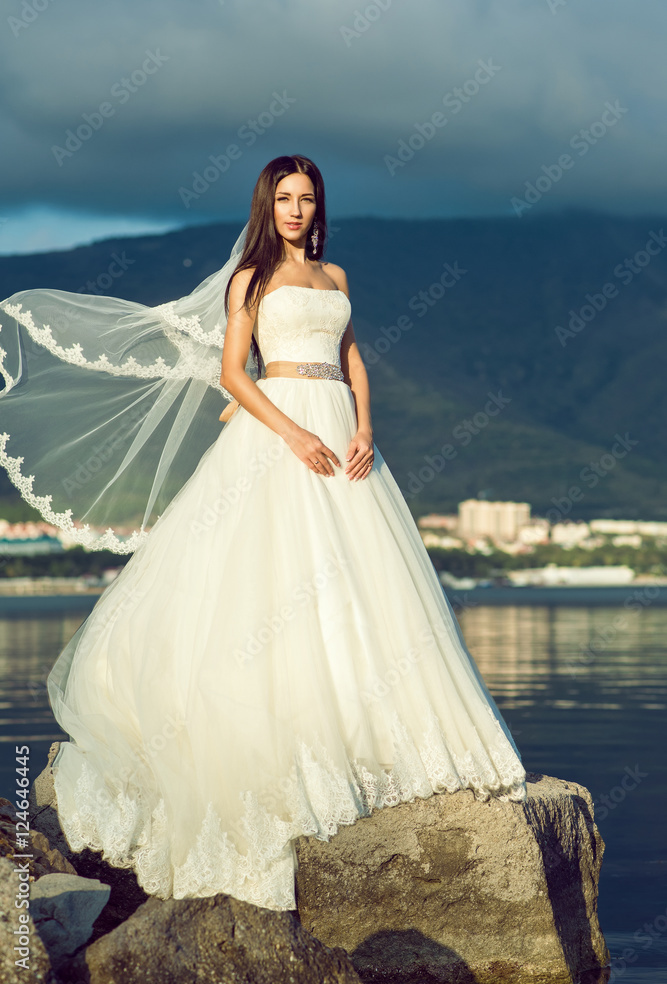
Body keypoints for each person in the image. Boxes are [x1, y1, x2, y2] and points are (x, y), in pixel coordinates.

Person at [0, 154, 526, 912]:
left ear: (319, 208)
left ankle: (367, 725)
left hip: (342, 430)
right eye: (283, 198)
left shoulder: (335, 277)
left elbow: (350, 358)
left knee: (362, 579)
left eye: (306, 199)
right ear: (266, 204)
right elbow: (232, 374)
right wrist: (289, 435)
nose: (295, 210)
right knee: (269, 574)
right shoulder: (249, 278)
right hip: (276, 430)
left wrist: (365, 428)